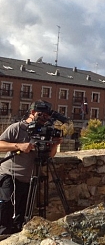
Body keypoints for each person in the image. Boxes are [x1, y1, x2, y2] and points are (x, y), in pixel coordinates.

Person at [0, 100, 62, 234]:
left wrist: (55, 145)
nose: (45, 119)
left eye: (47, 116)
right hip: (10, 175)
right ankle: (3, 234)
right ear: (33, 113)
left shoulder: (46, 131)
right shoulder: (17, 127)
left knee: (22, 212)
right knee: (6, 208)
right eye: (42, 115)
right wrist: (18, 146)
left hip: (30, 178)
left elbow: (49, 156)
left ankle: (18, 234)